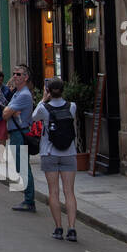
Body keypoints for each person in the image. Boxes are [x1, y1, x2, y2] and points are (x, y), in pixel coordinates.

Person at [34, 78, 79, 241]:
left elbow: (33, 117)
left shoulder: (43, 109)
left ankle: (59, 228)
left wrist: (43, 99)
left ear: (48, 91)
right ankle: (72, 228)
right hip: (69, 153)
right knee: (69, 192)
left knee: (54, 191)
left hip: (49, 153)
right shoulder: (72, 106)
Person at [2, 64, 37, 212]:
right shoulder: (17, 93)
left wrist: (10, 111)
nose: (15, 76)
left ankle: (29, 200)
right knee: (21, 166)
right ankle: (28, 199)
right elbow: (6, 111)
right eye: (14, 73)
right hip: (16, 132)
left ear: (26, 77)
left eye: (19, 74)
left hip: (19, 133)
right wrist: (9, 111)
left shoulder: (23, 95)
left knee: (22, 167)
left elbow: (4, 115)